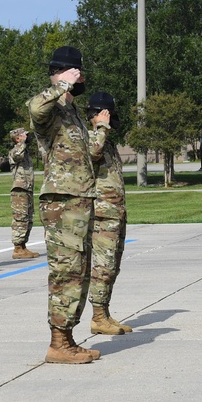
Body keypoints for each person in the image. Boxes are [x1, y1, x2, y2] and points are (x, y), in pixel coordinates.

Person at [28, 46, 104, 364]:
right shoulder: (52, 108)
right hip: (61, 203)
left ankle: (68, 338)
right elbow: (34, 108)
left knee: (79, 273)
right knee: (65, 272)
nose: (81, 76)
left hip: (79, 201)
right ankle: (58, 344)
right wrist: (62, 83)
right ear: (62, 72)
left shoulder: (73, 112)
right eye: (76, 71)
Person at [86, 92, 132, 335]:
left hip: (115, 212)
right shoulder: (90, 137)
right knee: (103, 265)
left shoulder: (108, 141)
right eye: (107, 115)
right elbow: (91, 155)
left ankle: (103, 312)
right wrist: (100, 126)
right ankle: (97, 317)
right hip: (102, 214)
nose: (111, 121)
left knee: (113, 264)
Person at [8, 128, 40, 259]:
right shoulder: (15, 150)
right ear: (17, 138)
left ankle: (23, 245)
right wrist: (21, 143)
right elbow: (17, 156)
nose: (27, 138)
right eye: (24, 136)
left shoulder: (25, 151)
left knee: (28, 218)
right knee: (20, 218)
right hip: (19, 189)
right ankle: (17, 248)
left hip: (27, 188)